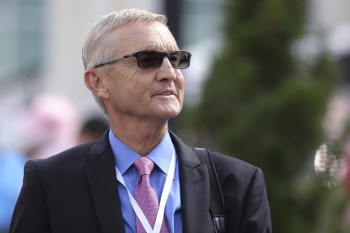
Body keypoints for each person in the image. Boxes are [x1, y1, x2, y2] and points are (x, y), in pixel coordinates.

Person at [9, 9, 271, 233]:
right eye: (148, 60)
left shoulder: (237, 184)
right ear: (98, 82)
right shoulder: (51, 183)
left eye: (176, 59)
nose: (169, 73)